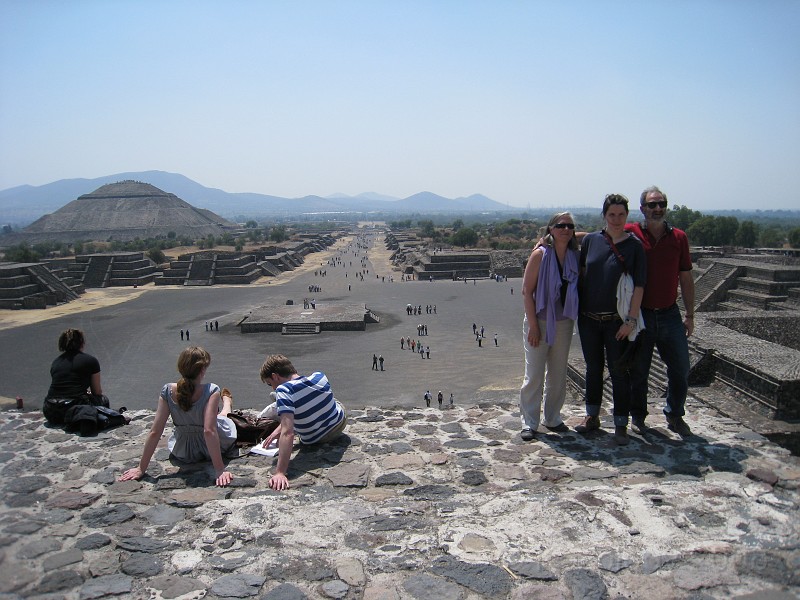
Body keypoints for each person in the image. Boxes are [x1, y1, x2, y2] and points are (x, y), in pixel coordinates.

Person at [576, 194, 646, 445]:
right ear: (604, 216)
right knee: (593, 369)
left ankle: (620, 423)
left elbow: (639, 286)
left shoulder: (634, 246)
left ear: (627, 216)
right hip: (588, 319)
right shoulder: (593, 241)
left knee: (618, 371)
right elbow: (582, 273)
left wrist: (631, 321)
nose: (616, 219)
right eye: (611, 214)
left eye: (621, 215)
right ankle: (591, 415)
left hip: (617, 321)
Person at [626, 186, 695, 436]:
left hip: (669, 313)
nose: (657, 208)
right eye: (652, 204)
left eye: (661, 204)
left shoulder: (679, 238)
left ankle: (675, 413)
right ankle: (638, 416)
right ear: (642, 208)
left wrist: (690, 315)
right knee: (639, 370)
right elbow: (599, 236)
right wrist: (552, 236)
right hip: (641, 314)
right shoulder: (630, 232)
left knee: (680, 368)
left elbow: (686, 278)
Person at [119, 346, 236, 487]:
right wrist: (219, 469)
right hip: (209, 448)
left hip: (183, 451)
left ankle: (226, 404)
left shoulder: (167, 390)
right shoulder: (211, 390)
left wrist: (141, 468)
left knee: (219, 417)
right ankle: (227, 402)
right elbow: (209, 431)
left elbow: (155, 431)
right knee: (224, 418)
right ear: (202, 369)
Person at [519, 213, 580, 440]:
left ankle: (553, 417)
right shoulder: (540, 254)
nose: (565, 229)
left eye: (570, 226)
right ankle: (529, 421)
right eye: (560, 226)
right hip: (540, 321)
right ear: (551, 229)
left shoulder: (574, 255)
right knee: (534, 374)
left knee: (558, 373)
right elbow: (527, 292)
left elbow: (596, 236)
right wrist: (533, 326)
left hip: (564, 322)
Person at [259, 355, 347, 491]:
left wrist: (280, 472)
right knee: (331, 400)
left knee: (284, 402)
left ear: (275, 376)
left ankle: (280, 406)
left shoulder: (284, 390)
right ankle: (285, 407)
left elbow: (288, 433)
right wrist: (278, 430)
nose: (272, 387)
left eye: (270, 384)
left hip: (314, 439)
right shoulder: (320, 376)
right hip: (338, 424)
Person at [43, 328, 109, 422]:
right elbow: (97, 392)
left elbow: (64, 386)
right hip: (73, 409)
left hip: (50, 410)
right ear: (81, 343)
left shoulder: (56, 362)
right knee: (103, 400)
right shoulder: (90, 360)